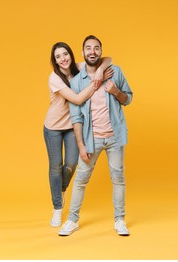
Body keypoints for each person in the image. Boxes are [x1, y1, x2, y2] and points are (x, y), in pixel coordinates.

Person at [58, 35, 133, 236]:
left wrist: (116, 91)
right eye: (88, 48)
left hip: (115, 137)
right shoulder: (77, 82)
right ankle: (72, 220)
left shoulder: (114, 72)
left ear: (101, 51)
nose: (93, 51)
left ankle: (119, 220)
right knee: (81, 179)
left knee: (118, 178)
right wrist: (81, 145)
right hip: (92, 140)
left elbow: (128, 99)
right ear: (83, 53)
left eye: (96, 48)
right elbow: (76, 118)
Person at [44, 42, 114, 227]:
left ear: (71, 54)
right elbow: (77, 99)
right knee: (55, 167)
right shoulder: (54, 78)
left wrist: (99, 71)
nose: (63, 59)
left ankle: (61, 189)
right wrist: (97, 82)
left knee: (72, 163)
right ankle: (57, 208)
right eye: (58, 57)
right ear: (55, 61)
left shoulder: (80, 68)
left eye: (65, 54)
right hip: (53, 127)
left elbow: (108, 59)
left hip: (73, 126)